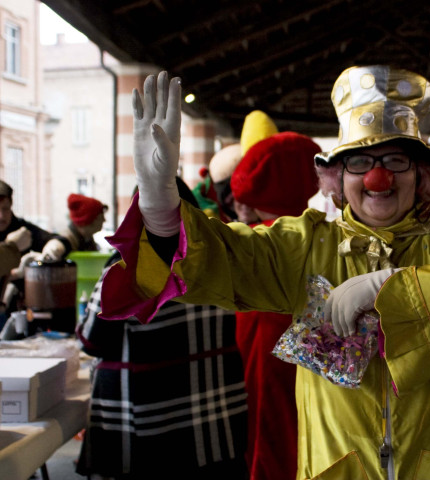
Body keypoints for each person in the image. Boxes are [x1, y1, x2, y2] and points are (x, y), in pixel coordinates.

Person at [100, 67, 430, 479]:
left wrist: (389, 288)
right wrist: (161, 207)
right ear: (336, 178)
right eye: (360, 162)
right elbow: (223, 259)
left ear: (423, 175)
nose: (378, 178)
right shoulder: (304, 245)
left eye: (395, 160)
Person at [75, 179, 249, 480]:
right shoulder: (221, 256)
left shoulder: (126, 268)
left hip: (151, 425)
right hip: (216, 422)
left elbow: (92, 342)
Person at [230, 129, 321, 479]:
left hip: (263, 344)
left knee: (266, 422)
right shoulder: (322, 232)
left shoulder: (254, 241)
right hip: (315, 348)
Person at [0, 179, 69, 260]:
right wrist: (11, 246)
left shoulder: (20, 228)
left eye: (5, 208)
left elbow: (57, 239)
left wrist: (55, 246)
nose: (1, 216)